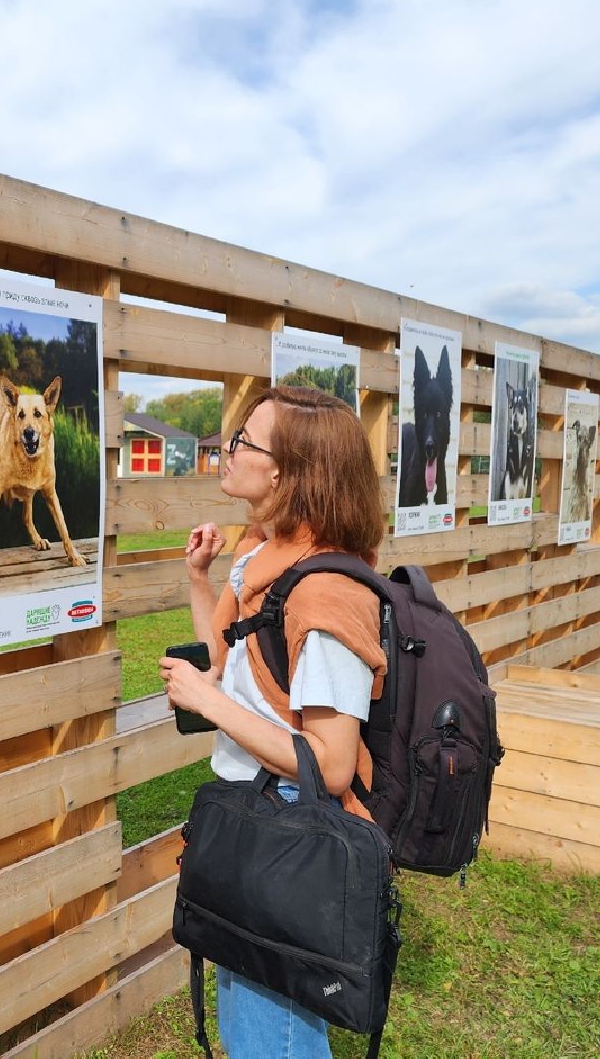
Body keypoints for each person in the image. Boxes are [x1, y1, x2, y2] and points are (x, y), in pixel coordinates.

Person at [159, 386, 387, 1059]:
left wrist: (210, 705)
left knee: (272, 1032)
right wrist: (202, 581)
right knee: (249, 1016)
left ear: (286, 471)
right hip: (257, 812)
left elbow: (333, 761)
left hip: (292, 828)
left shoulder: (325, 596)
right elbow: (236, 665)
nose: (228, 451)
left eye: (245, 442)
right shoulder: (267, 561)